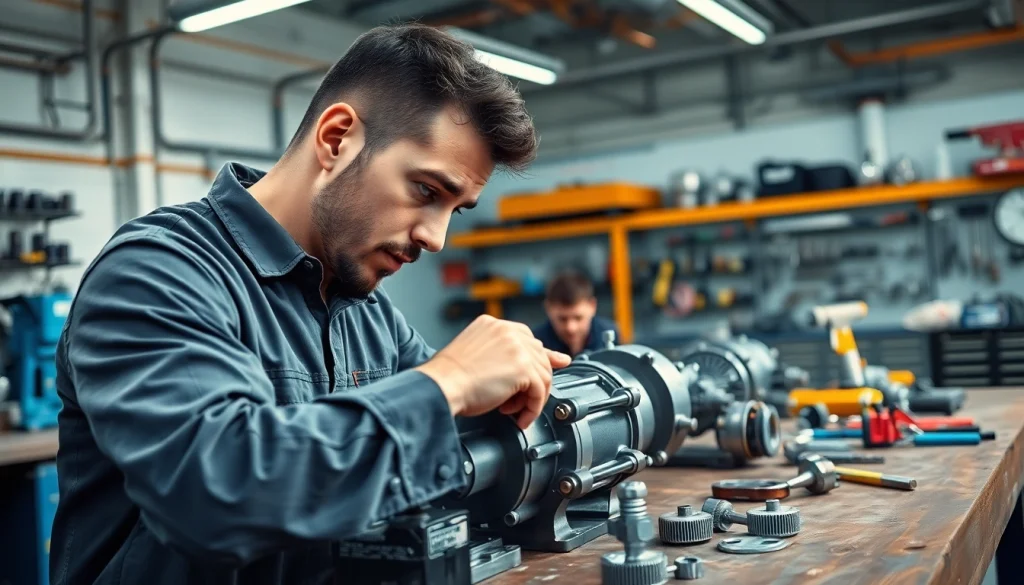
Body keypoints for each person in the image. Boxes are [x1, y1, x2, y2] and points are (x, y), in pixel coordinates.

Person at [49, 24, 571, 585]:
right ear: (337, 138)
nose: (436, 238)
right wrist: (449, 380)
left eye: (455, 210)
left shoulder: (364, 310)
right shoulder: (159, 271)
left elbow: (444, 445)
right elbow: (217, 494)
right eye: (426, 191)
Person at [532, 271, 621, 357]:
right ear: (548, 308)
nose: (571, 328)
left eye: (578, 318)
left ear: (592, 306)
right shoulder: (535, 343)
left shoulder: (608, 332)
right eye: (562, 319)